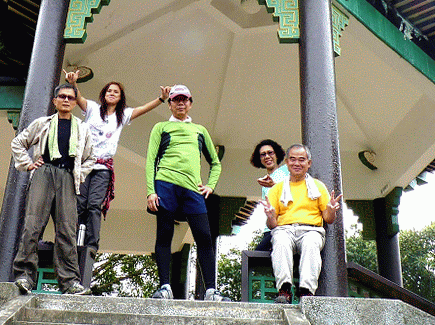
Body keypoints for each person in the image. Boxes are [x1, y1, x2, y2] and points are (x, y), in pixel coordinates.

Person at [64, 70, 171, 255]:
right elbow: (78, 97)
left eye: (116, 92)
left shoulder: (123, 115)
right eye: (109, 91)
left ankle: (91, 245)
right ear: (104, 94)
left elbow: (143, 109)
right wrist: (73, 83)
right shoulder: (92, 109)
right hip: (84, 165)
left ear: (121, 97)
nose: (111, 93)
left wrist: (161, 99)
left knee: (94, 205)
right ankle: (70, 242)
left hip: (103, 168)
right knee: (79, 205)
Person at [145, 84, 230, 302]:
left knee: (204, 237)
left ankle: (211, 290)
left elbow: (215, 163)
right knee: (164, 234)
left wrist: (210, 185)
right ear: (170, 104)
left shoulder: (200, 130)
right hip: (165, 183)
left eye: (184, 99)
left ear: (190, 103)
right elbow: (151, 160)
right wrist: (150, 191)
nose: (180, 103)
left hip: (193, 188)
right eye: (176, 99)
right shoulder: (161, 127)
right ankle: (164, 287)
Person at [10, 83, 95, 296]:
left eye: (70, 98)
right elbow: (18, 143)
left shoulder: (82, 128)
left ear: (75, 103)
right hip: (44, 172)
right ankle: (24, 275)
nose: (66, 100)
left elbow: (91, 157)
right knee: (32, 225)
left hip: (68, 176)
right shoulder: (43, 123)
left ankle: (70, 282)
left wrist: (79, 174)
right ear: (54, 101)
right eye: (62, 97)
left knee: (67, 230)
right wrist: (29, 164)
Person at [262, 144, 343, 304]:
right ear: (287, 162)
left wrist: (331, 210)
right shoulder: (277, 189)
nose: (297, 163)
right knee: (280, 241)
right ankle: (284, 290)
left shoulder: (318, 186)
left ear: (308, 163)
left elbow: (328, 219)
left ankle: (306, 292)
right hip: (284, 229)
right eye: (292, 159)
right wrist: (270, 216)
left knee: (311, 243)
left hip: (311, 230)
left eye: (301, 160)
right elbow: (272, 225)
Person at [250, 139, 288, 252]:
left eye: (270, 153)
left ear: (277, 155)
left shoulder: (287, 170)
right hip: (270, 228)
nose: (267, 156)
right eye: (263, 154)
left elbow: (295, 193)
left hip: (286, 225)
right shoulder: (264, 184)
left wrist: (274, 185)